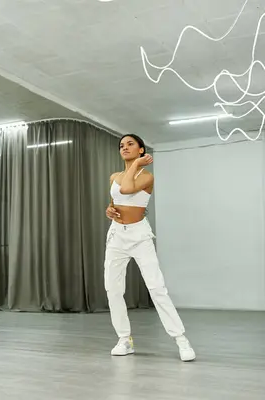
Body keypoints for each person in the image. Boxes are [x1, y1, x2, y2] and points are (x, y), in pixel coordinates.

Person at [104, 133, 196, 362]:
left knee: (156, 288)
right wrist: (109, 210)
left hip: (139, 236)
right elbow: (117, 201)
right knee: (113, 290)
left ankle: (181, 339)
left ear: (141, 150)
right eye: (121, 145)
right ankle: (124, 340)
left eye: (130, 144)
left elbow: (127, 189)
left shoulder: (146, 177)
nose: (124, 147)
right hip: (116, 235)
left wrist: (135, 165)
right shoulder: (114, 176)